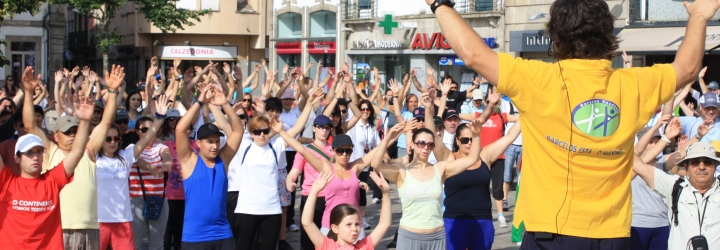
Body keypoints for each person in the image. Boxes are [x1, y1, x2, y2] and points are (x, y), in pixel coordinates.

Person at [427, 0, 717, 246]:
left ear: (556, 37)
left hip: (550, 233)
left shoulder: (538, 79)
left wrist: (439, 4)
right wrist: (699, 17)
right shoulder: (634, 83)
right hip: (612, 234)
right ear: (608, 33)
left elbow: (473, 54)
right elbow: (688, 68)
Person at [24, 65, 121, 249]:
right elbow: (30, 126)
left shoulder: (88, 150)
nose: (72, 136)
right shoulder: (49, 151)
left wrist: (113, 91)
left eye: (76, 131)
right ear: (56, 134)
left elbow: (106, 122)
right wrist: (28, 93)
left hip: (90, 227)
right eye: (67, 132)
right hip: (58, 227)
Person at [228, 88, 321, 250]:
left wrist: (309, 105)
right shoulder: (244, 146)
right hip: (247, 209)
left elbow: (297, 128)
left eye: (265, 131)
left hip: (271, 210)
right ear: (251, 133)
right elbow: (230, 125)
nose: (262, 135)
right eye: (257, 132)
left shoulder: (275, 146)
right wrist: (225, 105)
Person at [371, 119, 483, 249]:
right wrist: (388, 139)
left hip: (436, 236)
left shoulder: (440, 169)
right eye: (421, 143)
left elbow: (472, 158)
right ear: (412, 144)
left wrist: (476, 135)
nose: (426, 148)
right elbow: (375, 165)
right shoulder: (402, 171)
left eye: (430, 145)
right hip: (409, 236)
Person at [174, 85, 244, 248]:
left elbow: (238, 131)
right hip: (195, 237)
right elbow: (180, 129)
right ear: (198, 143)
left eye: (217, 142)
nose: (214, 146)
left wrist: (225, 104)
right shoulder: (189, 160)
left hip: (223, 234)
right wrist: (199, 102)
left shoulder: (223, 160)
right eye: (209, 142)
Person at [445, 120, 521, 250]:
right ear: (457, 140)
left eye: (472, 139)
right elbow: (433, 138)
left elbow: (509, 137)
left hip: (482, 220)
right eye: (464, 140)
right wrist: (429, 109)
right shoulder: (449, 158)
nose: (469, 143)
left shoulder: (484, 155)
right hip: (455, 220)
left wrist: (526, 113)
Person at [633, 141, 720, 250]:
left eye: (707, 162)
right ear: (686, 166)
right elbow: (637, 164)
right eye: (695, 162)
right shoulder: (672, 186)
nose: (701, 167)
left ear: (715, 166)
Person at [302, 171, 392, 250]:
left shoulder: (363, 247)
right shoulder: (327, 246)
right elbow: (307, 222)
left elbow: (384, 224)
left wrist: (386, 193)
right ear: (335, 228)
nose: (354, 229)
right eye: (348, 224)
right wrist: (314, 191)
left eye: (357, 224)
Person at [286, 115, 334, 250]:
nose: (324, 131)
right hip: (311, 197)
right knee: (308, 237)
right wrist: (290, 181)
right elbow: (294, 172)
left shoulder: (336, 149)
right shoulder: (305, 151)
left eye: (327, 128)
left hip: (331, 197)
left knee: (331, 236)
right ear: (314, 128)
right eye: (321, 127)